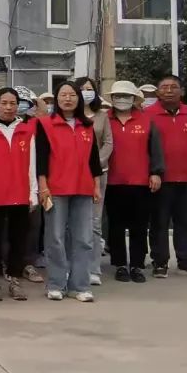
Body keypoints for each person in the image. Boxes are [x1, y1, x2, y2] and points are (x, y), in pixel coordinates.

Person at [36, 82, 103, 302]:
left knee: (84, 239)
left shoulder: (87, 125)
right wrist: (43, 186)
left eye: (72, 95)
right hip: (55, 188)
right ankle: (56, 283)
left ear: (79, 99)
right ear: (56, 99)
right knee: (55, 238)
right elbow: (41, 158)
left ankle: (80, 286)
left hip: (83, 188)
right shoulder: (46, 124)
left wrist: (96, 185)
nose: (68, 99)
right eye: (63, 95)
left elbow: (94, 159)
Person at [0, 88, 37, 302]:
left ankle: (15, 280)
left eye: (12, 103)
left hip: (21, 193)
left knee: (18, 239)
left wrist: (33, 193)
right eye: (4, 103)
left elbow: (32, 164)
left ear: (18, 106)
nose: (9, 107)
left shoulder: (27, 130)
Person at [146, 75, 187, 279]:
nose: (169, 90)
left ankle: (186, 260)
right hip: (160, 179)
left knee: (185, 222)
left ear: (182, 91)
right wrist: (154, 171)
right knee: (159, 222)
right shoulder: (148, 114)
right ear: (157, 92)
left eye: (174, 87)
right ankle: (160, 261)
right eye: (164, 87)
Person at [105, 81, 164, 284]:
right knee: (116, 226)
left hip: (140, 182)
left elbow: (155, 149)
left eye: (126, 96)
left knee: (139, 226)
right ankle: (120, 265)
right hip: (112, 182)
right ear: (112, 99)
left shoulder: (147, 120)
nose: (122, 99)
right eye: (118, 96)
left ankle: (137, 265)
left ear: (134, 99)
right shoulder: (105, 120)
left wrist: (156, 173)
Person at [76, 76, 113, 287]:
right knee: (74, 222)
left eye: (89, 88)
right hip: (73, 174)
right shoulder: (71, 116)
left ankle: (93, 268)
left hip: (99, 174)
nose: (86, 92)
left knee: (95, 222)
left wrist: (96, 164)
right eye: (82, 89)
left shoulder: (102, 116)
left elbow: (108, 142)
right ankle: (74, 266)